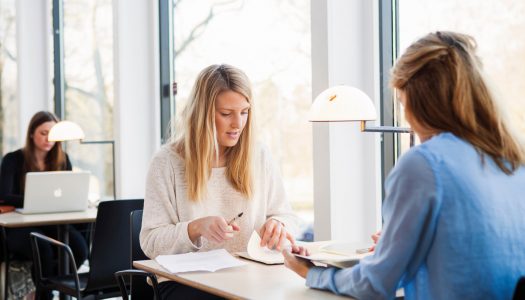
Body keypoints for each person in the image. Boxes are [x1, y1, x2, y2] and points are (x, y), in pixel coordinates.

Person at [283, 31, 525, 299]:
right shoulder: (515, 160)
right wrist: (395, 245)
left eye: (401, 101)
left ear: (416, 98)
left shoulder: (425, 164)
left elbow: (374, 284)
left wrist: (311, 273)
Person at [140, 64, 299, 299]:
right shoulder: (167, 162)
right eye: (226, 114)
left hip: (249, 275)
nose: (238, 124)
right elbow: (151, 243)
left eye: (244, 112)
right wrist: (195, 229)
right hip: (186, 281)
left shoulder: (259, 155)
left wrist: (279, 225)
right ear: (202, 113)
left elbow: (288, 217)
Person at [0, 111, 89, 299]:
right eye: (43, 133)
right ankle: (45, 295)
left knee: (80, 249)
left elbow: (68, 192)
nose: (49, 138)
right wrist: (34, 199)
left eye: (53, 133)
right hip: (19, 226)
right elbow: (4, 195)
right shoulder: (13, 159)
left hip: (52, 223)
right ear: (31, 133)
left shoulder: (63, 159)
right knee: (43, 249)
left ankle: (43, 286)